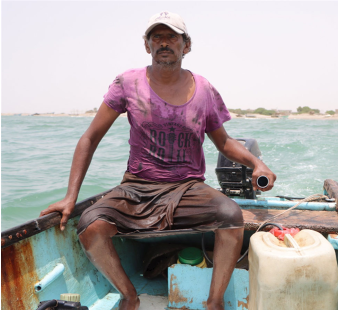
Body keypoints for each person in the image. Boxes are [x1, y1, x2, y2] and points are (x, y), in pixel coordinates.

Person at [39, 11, 276, 310]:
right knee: (90, 226)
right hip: (137, 187)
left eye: (172, 37)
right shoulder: (127, 83)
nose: (164, 43)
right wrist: (70, 197)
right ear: (147, 45)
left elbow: (225, 143)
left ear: (186, 46)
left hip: (188, 187)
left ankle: (214, 301)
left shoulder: (204, 90)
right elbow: (90, 138)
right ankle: (129, 295)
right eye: (157, 37)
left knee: (231, 216)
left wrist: (258, 164)